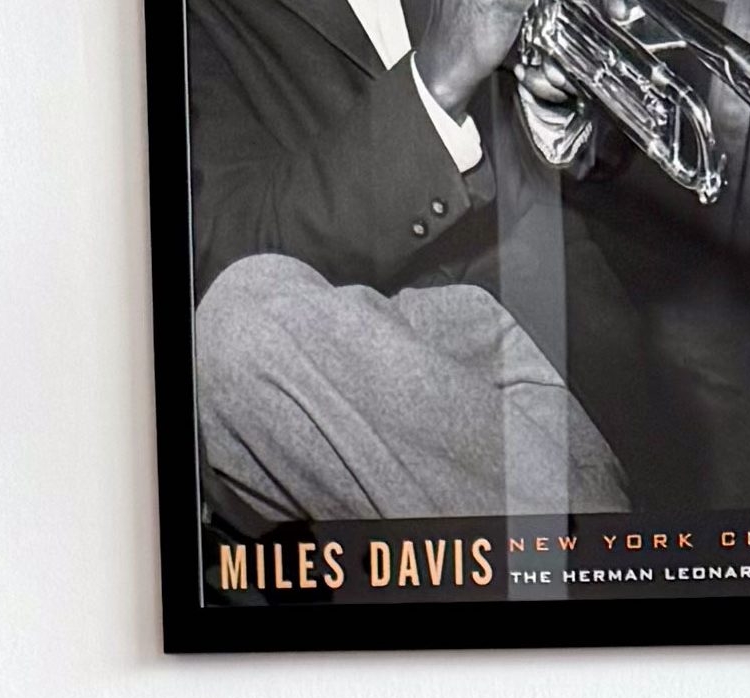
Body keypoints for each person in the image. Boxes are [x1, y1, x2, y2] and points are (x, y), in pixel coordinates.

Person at [184, 0, 631, 534]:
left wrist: (556, 107)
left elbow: (605, 156)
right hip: (347, 362)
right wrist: (436, 84)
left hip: (541, 333)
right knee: (236, 328)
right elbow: (232, 244)